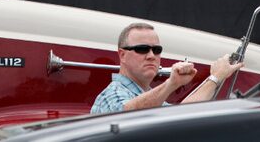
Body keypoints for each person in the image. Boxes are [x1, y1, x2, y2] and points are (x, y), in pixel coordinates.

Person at [90, 22, 242, 114]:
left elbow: (180, 114)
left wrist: (215, 78)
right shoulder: (111, 95)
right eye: (142, 49)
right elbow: (125, 115)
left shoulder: (148, 96)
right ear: (122, 55)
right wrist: (171, 84)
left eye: (156, 50)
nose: (151, 55)